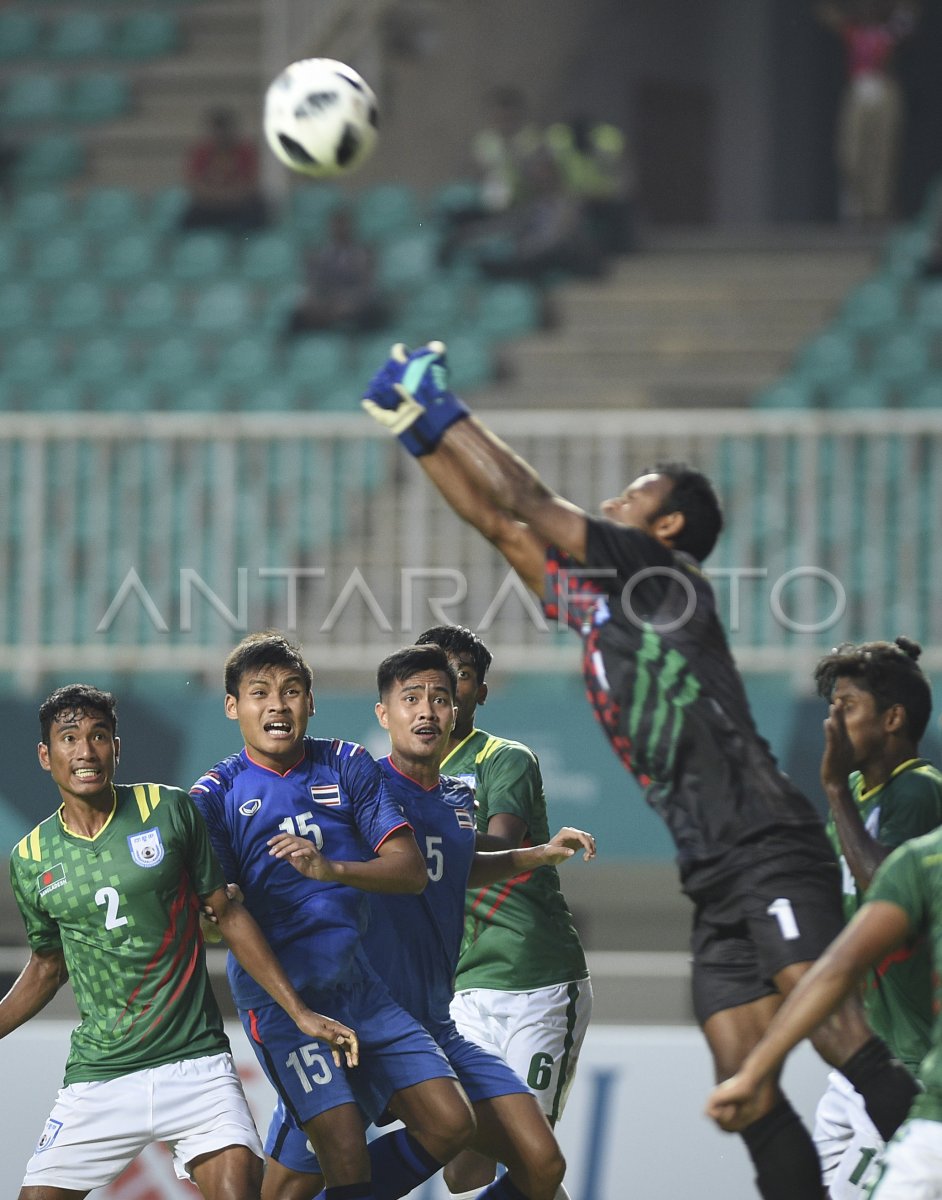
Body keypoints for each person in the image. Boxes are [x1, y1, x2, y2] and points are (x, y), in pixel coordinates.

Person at [356, 340, 921, 1199]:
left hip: (768, 839)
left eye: (633, 495)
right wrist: (413, 435)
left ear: (663, 528)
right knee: (750, 1089)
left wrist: (441, 408)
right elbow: (500, 524)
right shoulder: (606, 608)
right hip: (711, 871)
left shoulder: (665, 579)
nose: (613, 503)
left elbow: (530, 498)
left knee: (838, 1035)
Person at [259, 641, 593, 1200]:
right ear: (383, 714)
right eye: (411, 698)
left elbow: (450, 866)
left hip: (434, 1027)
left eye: (440, 699)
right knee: (284, 1190)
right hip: (356, 1027)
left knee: (542, 1165)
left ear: (456, 711)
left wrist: (534, 856)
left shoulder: (458, 798)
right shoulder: (356, 790)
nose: (427, 711)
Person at [4, 682, 357, 1200]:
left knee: (241, 1189)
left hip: (195, 1066)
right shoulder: (31, 857)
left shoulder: (167, 810)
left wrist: (300, 1012)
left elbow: (226, 913)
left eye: (99, 736)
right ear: (44, 754)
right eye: (69, 738)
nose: (85, 751)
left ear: (117, 748)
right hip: (100, 1076)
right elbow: (46, 966)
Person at [188, 631, 478, 1200]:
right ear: (233, 707)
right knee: (343, 1151)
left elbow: (411, 870)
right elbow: (220, 914)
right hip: (281, 1003)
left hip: (361, 989)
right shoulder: (214, 795)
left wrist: (332, 870)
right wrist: (298, 1012)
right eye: (260, 693)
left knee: (451, 1123)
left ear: (311, 703)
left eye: (292, 690)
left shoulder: (346, 764)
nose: (277, 705)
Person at [414, 624, 591, 1200]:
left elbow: (499, 841)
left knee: (524, 1154)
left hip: (535, 976)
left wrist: (421, 838)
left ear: (480, 691)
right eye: (435, 679)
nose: (448, 690)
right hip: (464, 988)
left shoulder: (502, 759)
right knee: (464, 1167)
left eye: (462, 676)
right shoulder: (403, 774)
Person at [705, 818, 942, 1199]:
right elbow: (837, 967)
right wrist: (754, 1074)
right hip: (900, 1082)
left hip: (906, 1068)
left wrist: (753, 1073)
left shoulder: (918, 803)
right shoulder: (924, 857)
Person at [809, 636, 942, 1198]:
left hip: (910, 1059)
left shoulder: (919, 790)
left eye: (847, 707)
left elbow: (886, 887)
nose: (832, 723)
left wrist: (835, 788)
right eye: (830, 708)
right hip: (864, 1051)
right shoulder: (859, 798)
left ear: (892, 718)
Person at [816, 1, 919, 225]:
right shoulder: (853, 29)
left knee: (881, 153)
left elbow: (911, 17)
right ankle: (857, 205)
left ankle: (876, 210)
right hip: (859, 88)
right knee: (850, 152)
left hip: (885, 87)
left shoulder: (893, 29)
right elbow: (825, 13)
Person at [285, 206, 389, 339]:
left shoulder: (362, 253)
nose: (340, 229)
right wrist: (325, 303)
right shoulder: (321, 254)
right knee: (297, 317)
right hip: (327, 304)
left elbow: (366, 285)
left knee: (375, 313)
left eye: (344, 225)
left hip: (354, 303)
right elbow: (315, 283)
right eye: (337, 225)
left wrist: (348, 302)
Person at [180, 107, 268, 233]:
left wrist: (228, 197)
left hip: (238, 204)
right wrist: (218, 197)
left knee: (258, 210)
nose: (221, 136)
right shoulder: (201, 152)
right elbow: (195, 184)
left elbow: (250, 184)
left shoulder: (245, 152)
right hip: (209, 204)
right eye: (217, 131)